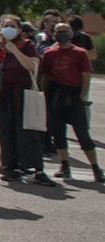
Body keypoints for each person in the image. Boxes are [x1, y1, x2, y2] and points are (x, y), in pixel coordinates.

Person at [0, 14, 52, 186]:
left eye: (12, 26)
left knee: (27, 132)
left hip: (22, 95)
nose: (8, 29)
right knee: (5, 131)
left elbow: (32, 66)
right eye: (5, 25)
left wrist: (15, 50)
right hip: (2, 95)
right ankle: (9, 166)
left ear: (19, 29)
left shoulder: (27, 46)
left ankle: (35, 168)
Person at [42, 22, 101, 183]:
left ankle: (96, 167)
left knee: (82, 134)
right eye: (58, 31)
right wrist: (45, 96)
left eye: (65, 31)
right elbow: (45, 76)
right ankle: (64, 165)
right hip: (56, 95)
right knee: (58, 133)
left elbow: (86, 76)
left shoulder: (80, 53)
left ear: (71, 33)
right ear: (54, 34)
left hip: (74, 95)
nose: (62, 34)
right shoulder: (49, 54)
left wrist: (82, 97)